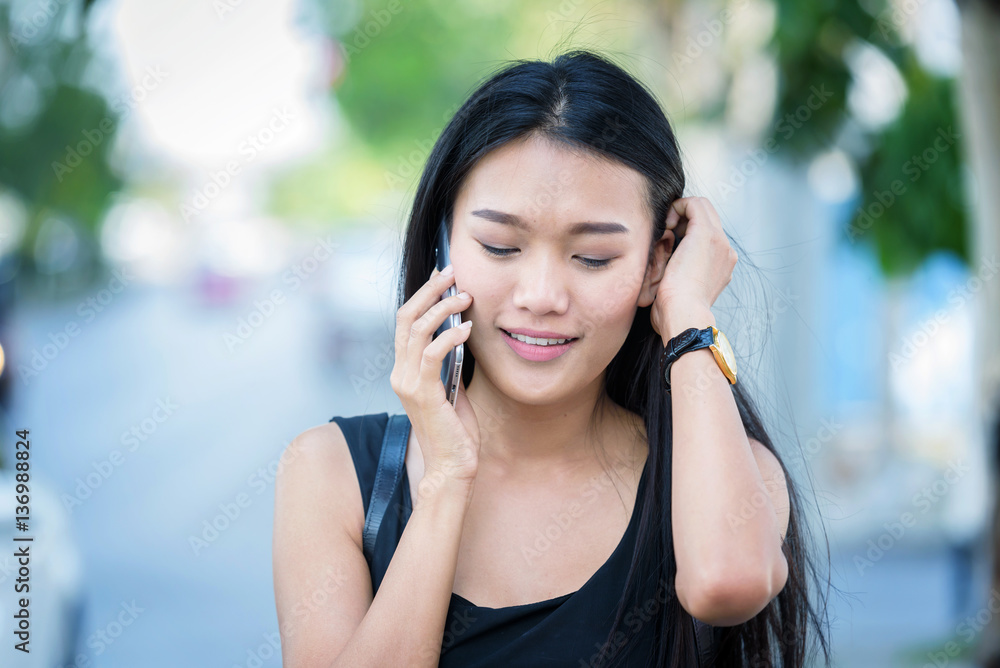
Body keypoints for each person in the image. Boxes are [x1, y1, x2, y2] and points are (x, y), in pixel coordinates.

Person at [272, 49, 831, 667]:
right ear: (443, 245)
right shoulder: (332, 475)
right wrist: (446, 480)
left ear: (655, 264)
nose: (540, 297)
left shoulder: (723, 476)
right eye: (500, 246)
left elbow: (727, 583)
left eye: (593, 258)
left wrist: (690, 315)